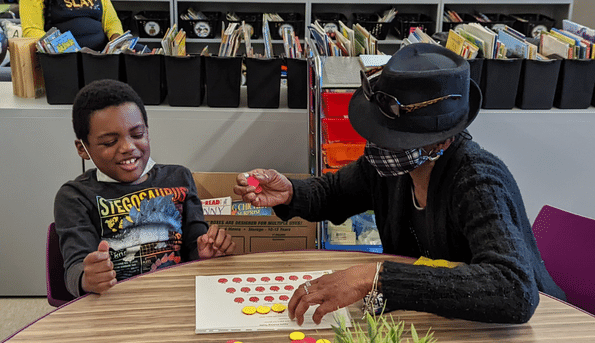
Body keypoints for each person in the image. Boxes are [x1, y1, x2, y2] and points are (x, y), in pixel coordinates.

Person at [234, 43, 566, 325]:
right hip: (447, 323)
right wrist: (290, 192)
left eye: (394, 138)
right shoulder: (389, 169)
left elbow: (513, 289)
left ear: (440, 141)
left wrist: (377, 277)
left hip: (523, 333)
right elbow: (334, 192)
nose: (377, 145)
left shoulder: (477, 181)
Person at [55, 79, 235, 298]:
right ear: (82, 149)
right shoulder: (75, 196)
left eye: (137, 135)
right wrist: (87, 278)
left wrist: (207, 251)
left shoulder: (179, 177)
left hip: (178, 297)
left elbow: (194, 243)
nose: (128, 147)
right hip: (115, 305)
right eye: (110, 142)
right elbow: (75, 268)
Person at [20, 0, 123, 51]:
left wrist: (118, 42)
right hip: (62, 57)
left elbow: (112, 22)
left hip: (101, 56)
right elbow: (31, 31)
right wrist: (71, 51)